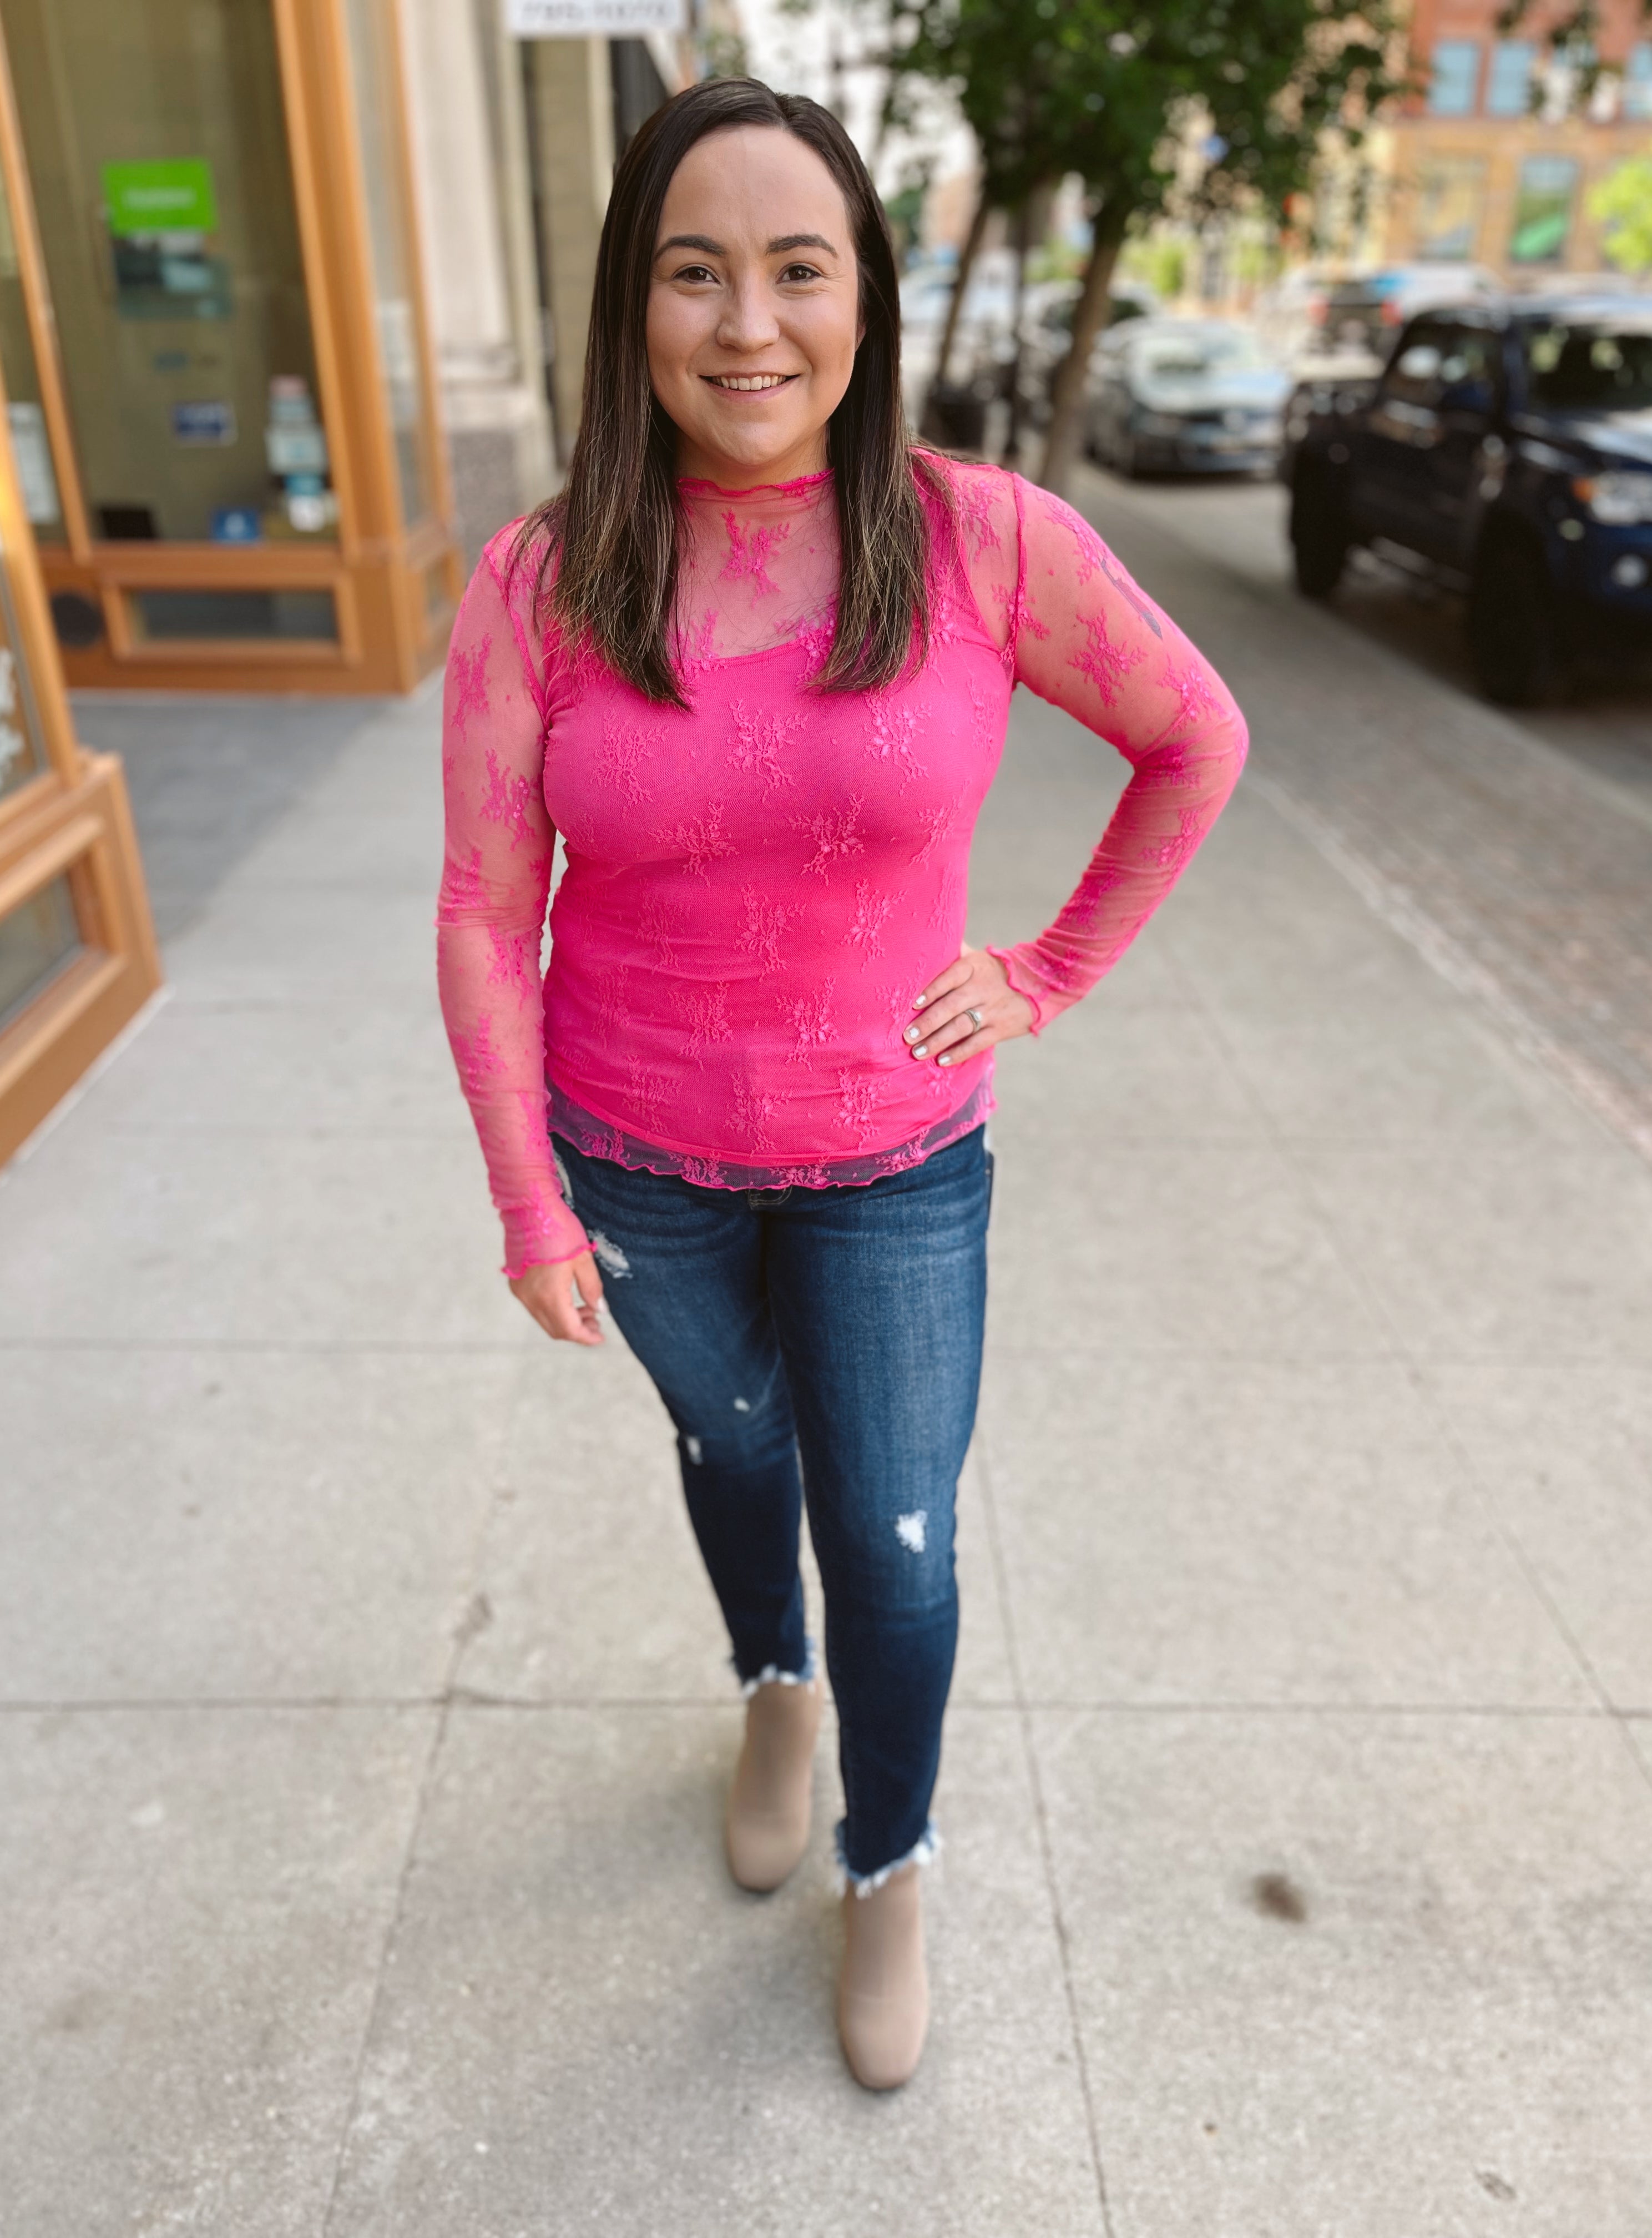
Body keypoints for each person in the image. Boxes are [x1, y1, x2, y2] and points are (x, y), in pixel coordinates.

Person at [437, 77, 1246, 2091]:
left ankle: (888, 1863)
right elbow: (479, 904)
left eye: (798, 270)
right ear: (631, 305)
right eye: (693, 274)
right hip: (636, 1161)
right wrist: (528, 1193)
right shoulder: (542, 582)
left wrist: (1047, 972)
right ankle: (768, 1688)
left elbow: (1195, 737)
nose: (747, 326)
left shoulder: (980, 538)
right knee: (729, 1460)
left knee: (892, 1536)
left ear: (864, 298)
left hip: (895, 1167)